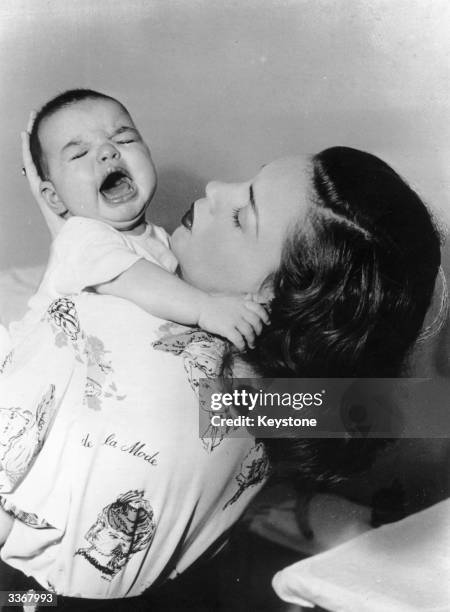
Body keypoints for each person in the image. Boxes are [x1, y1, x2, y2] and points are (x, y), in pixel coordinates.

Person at [0, 146, 441, 609]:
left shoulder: (151, 371)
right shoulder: (275, 398)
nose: (213, 190)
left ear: (277, 293)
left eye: (240, 215)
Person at [10, 89, 267, 351]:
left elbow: (176, 290)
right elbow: (135, 277)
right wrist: (205, 307)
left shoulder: (161, 239)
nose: (108, 152)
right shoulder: (80, 237)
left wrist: (224, 300)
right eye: (79, 154)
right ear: (53, 197)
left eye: (125, 140)